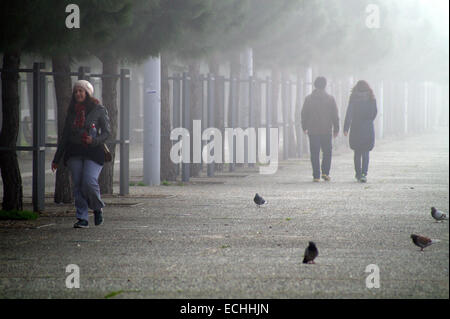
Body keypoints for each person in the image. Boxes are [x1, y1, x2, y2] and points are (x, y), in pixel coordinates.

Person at [52, 80, 111, 228]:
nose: (78, 93)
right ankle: (82, 218)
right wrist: (56, 159)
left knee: (89, 182)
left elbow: (106, 132)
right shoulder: (71, 111)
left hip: (93, 151)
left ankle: (97, 208)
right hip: (74, 152)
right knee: (78, 185)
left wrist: (94, 140)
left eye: (81, 91)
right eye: (76, 91)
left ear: (87, 93)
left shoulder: (98, 109)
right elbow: (65, 136)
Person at [301, 76, 340, 182]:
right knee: (327, 152)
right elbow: (335, 115)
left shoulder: (308, 99)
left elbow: (304, 114)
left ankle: (316, 176)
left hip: (313, 130)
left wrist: (304, 127)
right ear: (325, 85)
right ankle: (325, 173)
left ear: (315, 85)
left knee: (314, 153)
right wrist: (336, 128)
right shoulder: (330, 99)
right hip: (326, 130)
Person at [343, 80, 377, 183]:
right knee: (366, 151)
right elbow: (374, 113)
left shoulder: (354, 99)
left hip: (356, 127)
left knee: (357, 152)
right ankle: (364, 174)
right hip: (367, 127)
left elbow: (349, 113)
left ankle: (358, 174)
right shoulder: (372, 98)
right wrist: (368, 121)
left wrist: (346, 128)